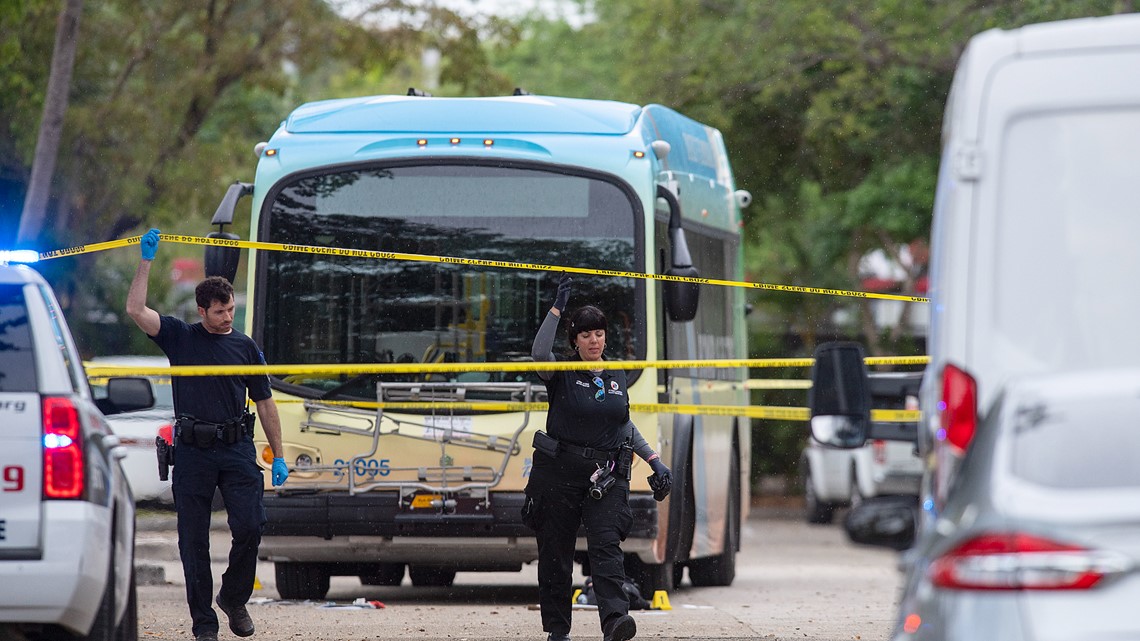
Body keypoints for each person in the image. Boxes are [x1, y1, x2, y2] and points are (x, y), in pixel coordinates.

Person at [127, 228, 289, 641]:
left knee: (252, 526)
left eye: (231, 309)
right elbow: (135, 309)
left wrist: (279, 452)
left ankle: (233, 598)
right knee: (192, 543)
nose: (228, 317)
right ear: (202, 311)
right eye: (220, 312)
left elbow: (266, 402)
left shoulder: (246, 348)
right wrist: (146, 260)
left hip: (236, 448)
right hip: (194, 452)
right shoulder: (181, 338)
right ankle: (204, 625)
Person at [524, 273, 672, 641]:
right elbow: (539, 354)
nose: (594, 340)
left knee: (607, 549)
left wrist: (654, 460)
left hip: (604, 478)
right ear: (574, 341)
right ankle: (558, 630)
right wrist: (557, 308)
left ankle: (615, 622)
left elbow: (623, 425)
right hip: (559, 475)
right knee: (556, 556)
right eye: (586, 335)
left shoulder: (617, 374)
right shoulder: (561, 371)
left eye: (599, 333)